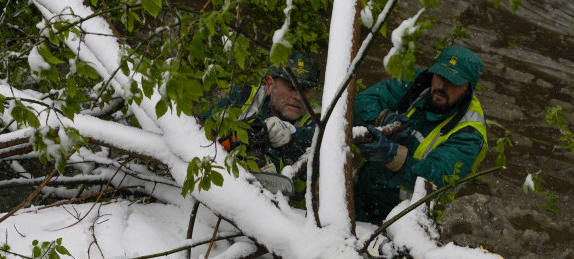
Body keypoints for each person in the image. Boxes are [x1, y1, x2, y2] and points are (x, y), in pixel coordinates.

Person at [354, 46, 488, 224]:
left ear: (467, 89)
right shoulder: (416, 85)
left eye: (452, 82)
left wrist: (393, 155)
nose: (441, 86)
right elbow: (362, 101)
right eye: (440, 76)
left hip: (405, 217)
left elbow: (437, 178)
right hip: (364, 188)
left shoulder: (470, 133)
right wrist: (380, 119)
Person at [198, 51, 321, 175]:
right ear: (269, 85)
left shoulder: (318, 121)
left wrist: (291, 133)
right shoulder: (243, 99)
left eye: (304, 90)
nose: (298, 97)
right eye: (291, 87)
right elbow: (198, 128)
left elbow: (315, 141)